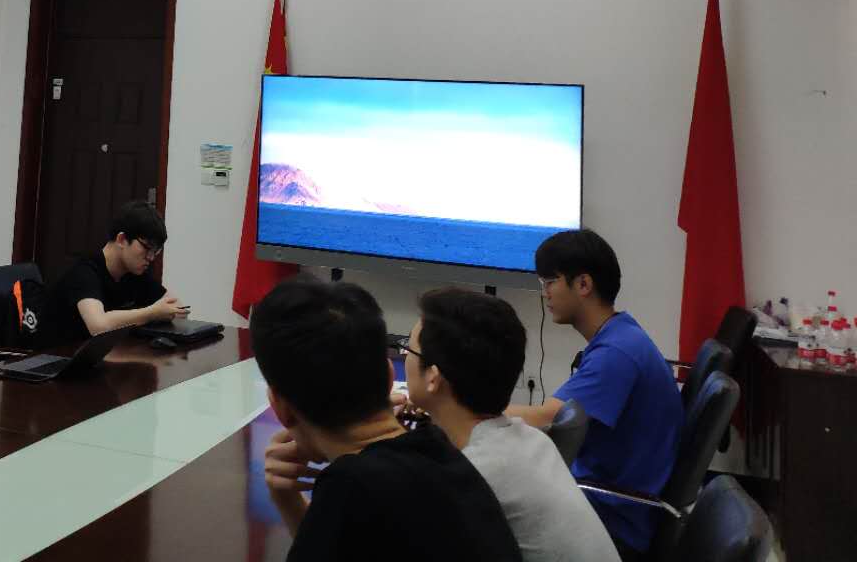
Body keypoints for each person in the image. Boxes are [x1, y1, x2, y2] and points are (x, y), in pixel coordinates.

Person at [252, 276, 521, 561]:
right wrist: (289, 500)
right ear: (390, 376)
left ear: (279, 407)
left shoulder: (350, 489)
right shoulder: (442, 453)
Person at [403, 286, 620, 562]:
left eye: (408, 348)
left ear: (433, 378)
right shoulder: (531, 439)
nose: (404, 357)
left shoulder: (469, 478)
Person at [505, 230, 682, 561]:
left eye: (550, 282)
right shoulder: (622, 333)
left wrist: (465, 407)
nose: (545, 293)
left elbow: (548, 419)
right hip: (614, 500)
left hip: (613, 521)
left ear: (583, 284)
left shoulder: (615, 354)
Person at [40, 201, 188, 347]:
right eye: (147, 248)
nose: (151, 258)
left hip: (101, 353)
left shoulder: (134, 271)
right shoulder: (85, 272)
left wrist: (158, 312)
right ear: (122, 240)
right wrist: (151, 313)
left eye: (156, 251)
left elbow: (180, 309)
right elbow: (98, 326)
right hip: (57, 355)